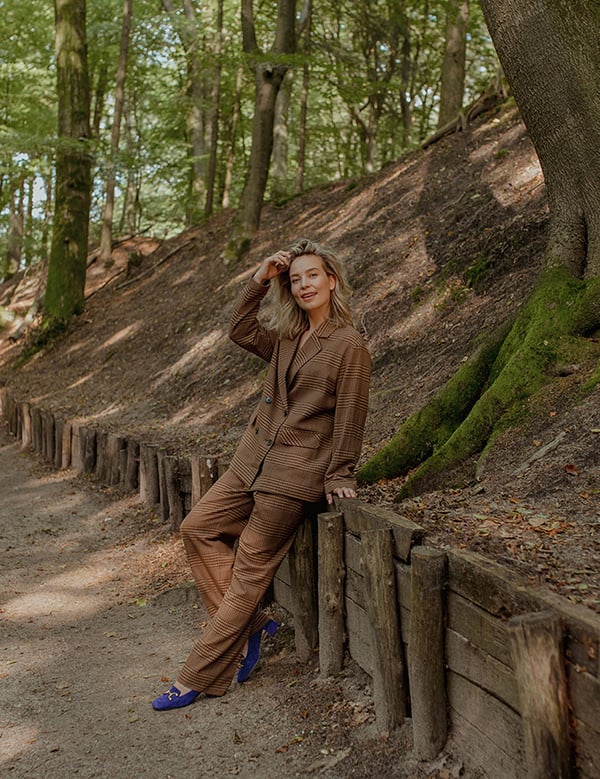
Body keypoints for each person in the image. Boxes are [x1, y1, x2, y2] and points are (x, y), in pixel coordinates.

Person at [152, 238, 371, 710]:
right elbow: (238, 328)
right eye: (295, 279)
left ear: (332, 280)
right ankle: (253, 626)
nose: (304, 284)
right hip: (251, 459)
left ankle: (200, 676)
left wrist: (340, 473)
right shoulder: (287, 337)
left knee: (250, 571)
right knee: (197, 528)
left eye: (312, 275)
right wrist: (260, 278)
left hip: (294, 473)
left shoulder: (348, 344)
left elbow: (351, 414)